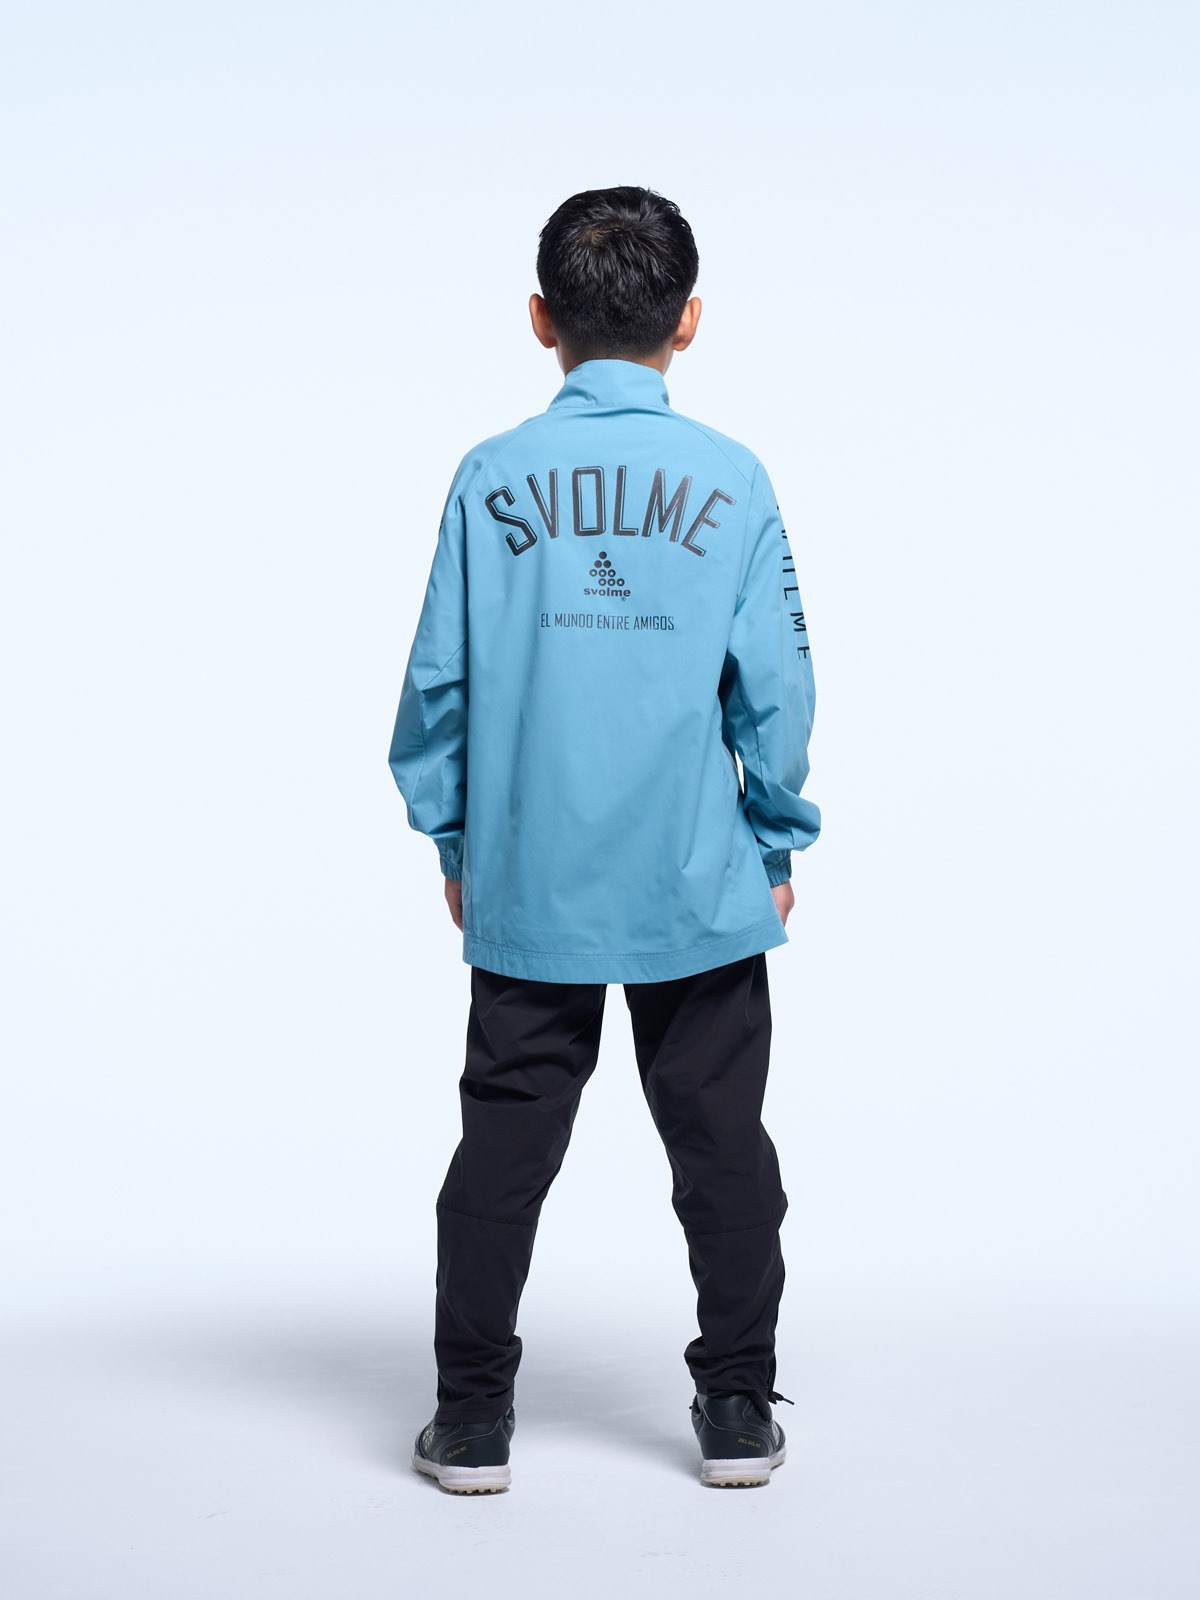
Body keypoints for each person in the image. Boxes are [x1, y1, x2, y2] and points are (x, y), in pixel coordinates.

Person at [387, 185, 821, 1493]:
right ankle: (735, 1410)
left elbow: (437, 687)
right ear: (689, 321)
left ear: (541, 320)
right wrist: (776, 845)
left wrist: (457, 843)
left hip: (533, 879)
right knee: (724, 1151)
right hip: (698, 877)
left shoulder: (491, 476)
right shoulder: (733, 478)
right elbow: (777, 688)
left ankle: (472, 1421)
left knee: (502, 1154)